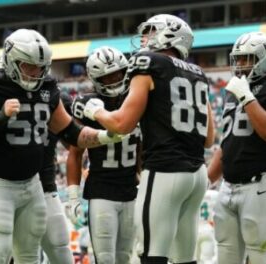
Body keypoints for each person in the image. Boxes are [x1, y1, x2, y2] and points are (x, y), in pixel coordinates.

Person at [0, 28, 126, 264]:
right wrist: (0, 118)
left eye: (40, 66)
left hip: (32, 182)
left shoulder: (46, 87)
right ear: (11, 60)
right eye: (29, 65)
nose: (36, 72)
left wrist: (107, 136)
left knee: (30, 255)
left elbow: (71, 133)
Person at [82, 14, 215, 264]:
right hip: (198, 175)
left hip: (165, 171)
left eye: (151, 31)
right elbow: (209, 138)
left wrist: (95, 111)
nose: (144, 38)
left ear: (169, 35)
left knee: (152, 252)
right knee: (185, 256)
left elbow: (122, 124)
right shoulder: (199, 73)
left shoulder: (148, 63)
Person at [207, 31, 266, 264]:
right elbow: (228, 142)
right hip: (228, 186)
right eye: (237, 59)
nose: (239, 65)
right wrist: (207, 180)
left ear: (265, 58)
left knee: (260, 257)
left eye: (246, 59)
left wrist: (247, 97)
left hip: (261, 183)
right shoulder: (237, 90)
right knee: (226, 257)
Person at [67, 46, 140, 264]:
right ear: (96, 79)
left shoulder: (135, 100)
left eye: (118, 73)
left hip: (130, 189)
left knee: (125, 257)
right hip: (101, 190)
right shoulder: (88, 105)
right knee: (105, 258)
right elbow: (75, 152)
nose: (114, 79)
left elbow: (142, 147)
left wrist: (144, 180)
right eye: (107, 77)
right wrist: (72, 196)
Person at [38, 91, 74, 264]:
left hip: (45, 187)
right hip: (7, 188)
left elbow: (73, 142)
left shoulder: (53, 97)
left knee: (60, 248)